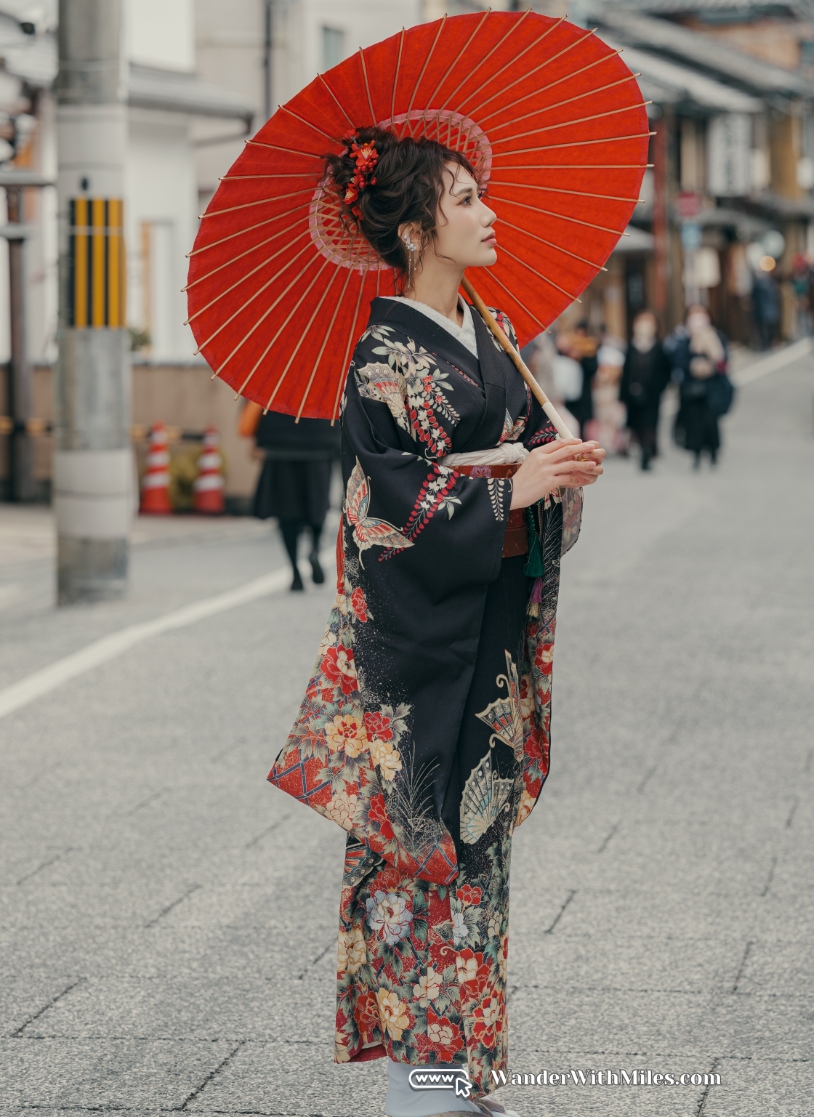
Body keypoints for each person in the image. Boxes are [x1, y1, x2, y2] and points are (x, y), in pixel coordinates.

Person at [266, 127, 605, 1116]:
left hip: (486, 639)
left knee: (481, 854)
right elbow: (391, 518)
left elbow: (522, 459)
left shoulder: (490, 336)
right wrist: (512, 488)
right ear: (417, 229)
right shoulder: (384, 358)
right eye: (465, 199)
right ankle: (422, 1087)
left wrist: (558, 473)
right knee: (422, 855)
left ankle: (467, 1069)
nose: (488, 212)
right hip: (420, 659)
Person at [244, 407, 340, 591]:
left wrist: (258, 441)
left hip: (279, 449)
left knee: (286, 514)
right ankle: (314, 550)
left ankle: (295, 573)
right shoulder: (325, 382)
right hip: (320, 447)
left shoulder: (276, 381)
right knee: (317, 507)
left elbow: (257, 409)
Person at [669, 305, 731, 469]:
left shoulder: (717, 337)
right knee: (693, 424)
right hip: (691, 391)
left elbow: (723, 363)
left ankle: (713, 452)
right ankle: (695, 454)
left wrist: (711, 360)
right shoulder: (682, 339)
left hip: (711, 389)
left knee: (711, 422)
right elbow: (679, 364)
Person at [619, 310, 671, 471]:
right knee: (637, 424)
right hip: (632, 394)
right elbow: (625, 372)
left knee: (650, 424)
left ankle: (648, 451)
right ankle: (642, 448)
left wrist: (659, 388)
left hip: (652, 395)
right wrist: (622, 395)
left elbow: (666, 372)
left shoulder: (659, 348)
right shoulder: (630, 346)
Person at [751, 266, 781, 351]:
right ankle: (769, 342)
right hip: (769, 310)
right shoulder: (771, 284)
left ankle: (766, 343)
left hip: (761, 311)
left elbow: (753, 298)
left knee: (763, 329)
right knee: (769, 328)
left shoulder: (758, 286)